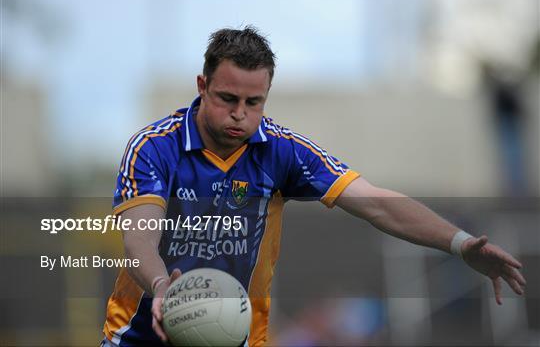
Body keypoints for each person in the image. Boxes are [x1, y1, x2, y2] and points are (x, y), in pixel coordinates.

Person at [101, 26, 526, 347]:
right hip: (139, 339)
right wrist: (162, 287)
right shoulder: (154, 146)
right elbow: (140, 240)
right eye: (227, 99)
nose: (240, 115)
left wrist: (460, 243)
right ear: (202, 86)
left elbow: (376, 203)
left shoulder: (282, 151)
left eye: (254, 103)